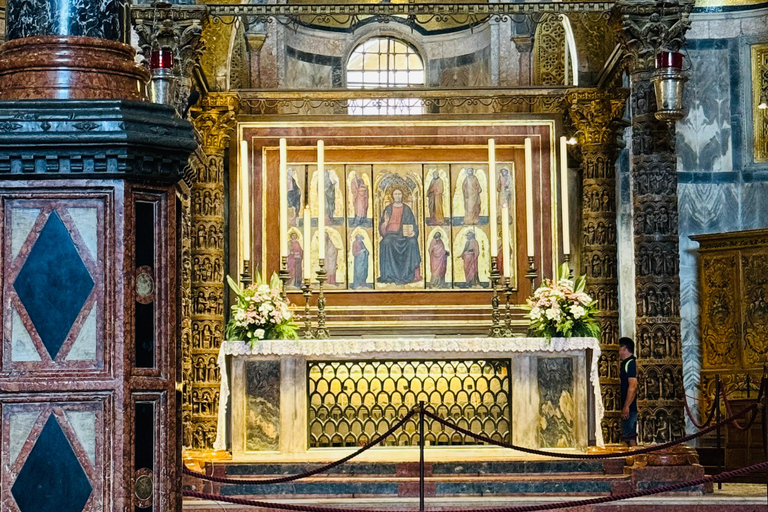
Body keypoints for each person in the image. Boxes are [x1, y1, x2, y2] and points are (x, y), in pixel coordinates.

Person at [378, 188, 421, 285]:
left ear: (402, 195)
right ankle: (388, 274)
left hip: (404, 236)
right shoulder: (388, 209)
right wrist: (385, 222)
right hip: (391, 235)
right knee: (385, 242)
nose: (397, 196)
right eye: (395, 194)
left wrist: (413, 232)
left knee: (412, 242)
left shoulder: (407, 209)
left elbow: (413, 225)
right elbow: (382, 230)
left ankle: (410, 274)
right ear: (392, 196)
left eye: (399, 194)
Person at [619, 337, 638, 447]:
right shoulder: (624, 363)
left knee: (629, 437)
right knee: (626, 436)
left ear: (624, 348)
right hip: (626, 406)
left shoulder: (631, 363)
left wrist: (626, 406)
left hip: (630, 408)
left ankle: (635, 460)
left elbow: (633, 386)